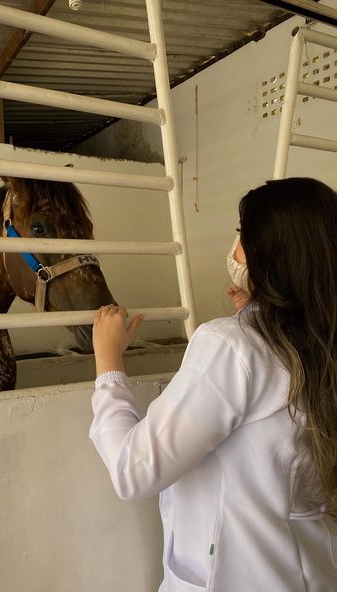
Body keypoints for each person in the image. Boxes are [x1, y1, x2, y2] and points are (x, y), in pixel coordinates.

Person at [89, 177, 337, 592]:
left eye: (242, 233)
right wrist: (259, 308)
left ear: (268, 252)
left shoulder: (231, 344)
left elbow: (134, 471)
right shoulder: (320, 338)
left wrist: (108, 363)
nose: (235, 245)